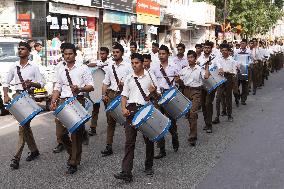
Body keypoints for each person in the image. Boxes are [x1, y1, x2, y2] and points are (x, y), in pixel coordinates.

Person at [114, 53, 160, 182]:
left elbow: (158, 97)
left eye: (137, 63)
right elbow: (124, 95)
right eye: (132, 63)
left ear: (142, 63)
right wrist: (123, 108)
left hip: (145, 109)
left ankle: (149, 165)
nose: (134, 65)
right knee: (129, 142)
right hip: (131, 110)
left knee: (148, 139)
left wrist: (153, 92)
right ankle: (126, 172)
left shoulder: (150, 77)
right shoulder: (129, 78)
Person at [50, 43, 94, 174]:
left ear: (75, 54)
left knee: (76, 135)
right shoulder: (61, 69)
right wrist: (53, 100)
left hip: (77, 100)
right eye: (65, 54)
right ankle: (71, 153)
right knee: (61, 134)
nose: (67, 56)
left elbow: (91, 86)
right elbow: (57, 87)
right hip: (63, 102)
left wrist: (79, 88)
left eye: (70, 54)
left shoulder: (83, 68)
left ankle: (74, 162)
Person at [3, 41, 45, 170]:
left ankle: (16, 158)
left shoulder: (34, 67)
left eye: (22, 49)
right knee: (25, 126)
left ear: (28, 52)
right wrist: (5, 95)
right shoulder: (13, 66)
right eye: (19, 49)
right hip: (17, 97)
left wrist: (32, 84)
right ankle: (34, 151)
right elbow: (5, 82)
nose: (20, 50)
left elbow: (42, 83)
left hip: (28, 98)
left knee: (22, 127)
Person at [100, 43, 133, 157]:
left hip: (124, 95)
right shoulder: (110, 66)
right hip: (112, 94)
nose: (115, 54)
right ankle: (109, 146)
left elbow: (133, 81)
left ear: (122, 53)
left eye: (117, 52)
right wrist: (103, 94)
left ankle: (128, 145)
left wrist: (125, 84)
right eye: (113, 52)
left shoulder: (128, 66)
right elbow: (105, 82)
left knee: (126, 121)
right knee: (111, 121)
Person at [175, 50, 210, 144]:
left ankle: (193, 136)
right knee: (189, 115)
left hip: (196, 92)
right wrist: (178, 80)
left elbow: (206, 76)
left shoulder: (199, 69)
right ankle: (192, 130)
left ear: (195, 58)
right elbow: (181, 83)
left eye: (192, 57)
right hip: (185, 92)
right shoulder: (184, 70)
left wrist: (207, 67)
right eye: (188, 57)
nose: (190, 59)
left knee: (193, 113)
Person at [151, 45, 180, 158]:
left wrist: (178, 80)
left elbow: (179, 81)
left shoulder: (174, 66)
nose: (161, 56)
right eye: (160, 54)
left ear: (168, 54)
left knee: (170, 120)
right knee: (158, 121)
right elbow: (152, 80)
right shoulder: (154, 67)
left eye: (163, 54)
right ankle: (161, 149)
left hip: (169, 95)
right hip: (158, 96)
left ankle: (174, 136)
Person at [87, 47, 111, 136]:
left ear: (107, 54)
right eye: (100, 54)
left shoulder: (111, 63)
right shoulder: (99, 62)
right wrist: (90, 65)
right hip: (97, 89)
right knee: (95, 109)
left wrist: (103, 65)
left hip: (106, 89)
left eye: (103, 54)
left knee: (108, 108)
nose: (102, 55)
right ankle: (93, 128)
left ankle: (110, 125)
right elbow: (91, 64)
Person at [197, 41, 219, 135]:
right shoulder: (200, 58)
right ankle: (206, 122)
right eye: (205, 48)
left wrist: (220, 69)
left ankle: (209, 125)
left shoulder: (215, 58)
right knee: (203, 104)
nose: (206, 49)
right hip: (201, 84)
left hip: (211, 83)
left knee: (208, 103)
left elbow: (219, 67)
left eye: (208, 48)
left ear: (211, 48)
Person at [214, 43, 238, 123]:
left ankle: (229, 115)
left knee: (228, 97)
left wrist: (228, 71)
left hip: (228, 78)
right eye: (222, 50)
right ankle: (217, 117)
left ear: (229, 51)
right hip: (220, 79)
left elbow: (234, 72)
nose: (224, 52)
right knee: (218, 98)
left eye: (225, 50)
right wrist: (220, 69)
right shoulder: (218, 59)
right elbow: (218, 66)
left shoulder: (232, 61)